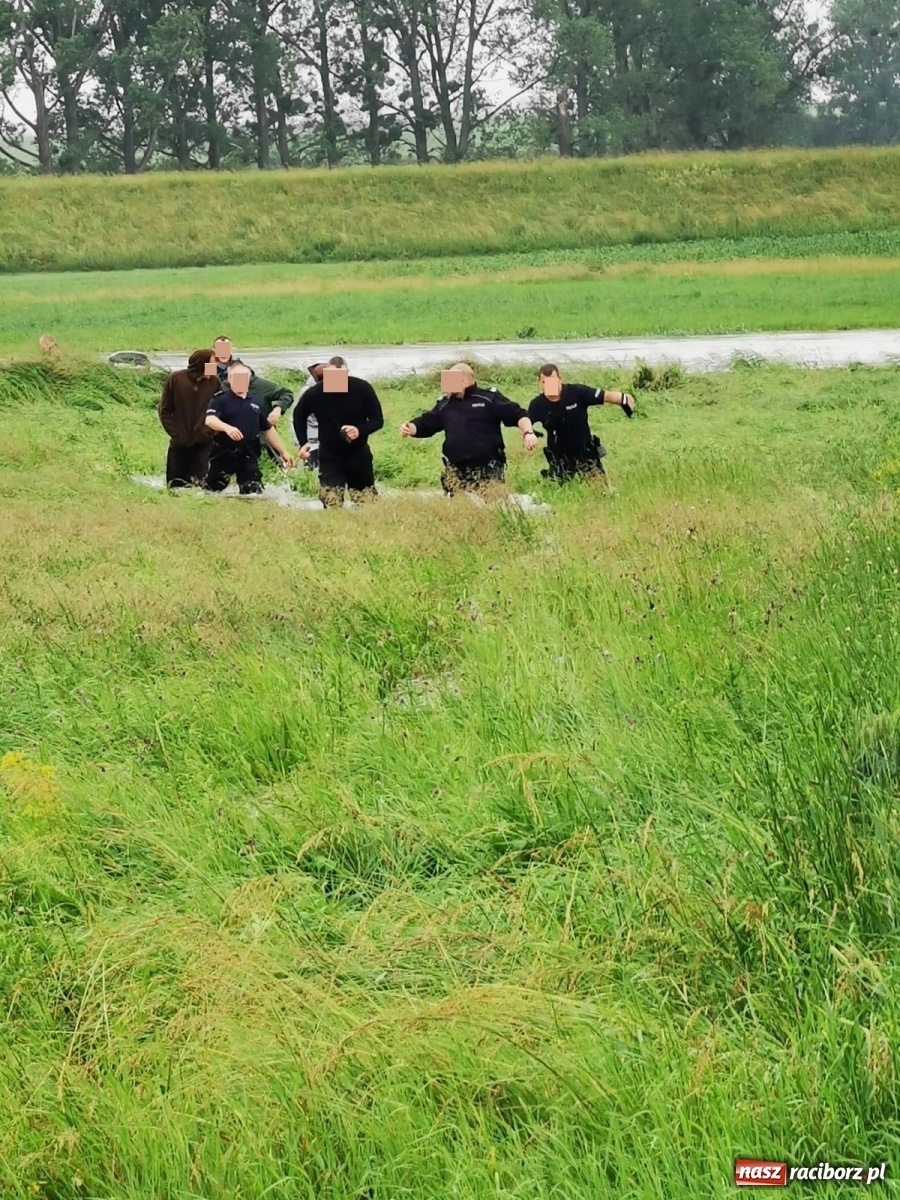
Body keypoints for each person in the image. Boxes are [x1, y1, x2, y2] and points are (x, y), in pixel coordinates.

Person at [400, 363, 538, 494]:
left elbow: (518, 414)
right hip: (456, 469)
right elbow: (426, 423)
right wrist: (410, 428)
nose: (446, 386)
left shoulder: (488, 398)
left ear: (464, 382)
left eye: (451, 380)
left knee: (492, 508)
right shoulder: (444, 405)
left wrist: (528, 433)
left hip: (488, 468)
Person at [293, 355, 384, 508]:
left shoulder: (362, 388)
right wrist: (303, 443)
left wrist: (359, 430)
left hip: (358, 454)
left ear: (347, 373)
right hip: (330, 456)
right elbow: (299, 415)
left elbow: (377, 420)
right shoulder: (316, 393)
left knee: (366, 502)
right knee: (332, 501)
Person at [527, 364, 635, 483]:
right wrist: (529, 434)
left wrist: (624, 399)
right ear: (539, 382)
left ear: (560, 378)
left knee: (600, 490)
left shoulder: (576, 392)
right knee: (561, 492)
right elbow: (524, 422)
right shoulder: (537, 404)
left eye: (552, 381)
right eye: (545, 382)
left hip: (585, 452)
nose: (549, 385)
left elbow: (605, 396)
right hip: (559, 458)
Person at [204, 363, 294, 494]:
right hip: (223, 453)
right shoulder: (220, 400)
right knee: (212, 492)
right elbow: (210, 419)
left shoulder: (256, 401)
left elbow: (267, 429)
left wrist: (283, 452)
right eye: (236, 378)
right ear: (230, 379)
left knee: (253, 492)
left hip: (248, 453)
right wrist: (227, 428)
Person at [157, 348, 218, 488]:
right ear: (202, 364)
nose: (215, 368)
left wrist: (207, 432)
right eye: (212, 363)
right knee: (175, 485)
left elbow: (218, 411)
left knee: (200, 485)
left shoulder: (214, 382)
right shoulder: (176, 379)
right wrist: (177, 434)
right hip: (179, 443)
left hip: (203, 442)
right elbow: (164, 410)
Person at [289, 362, 324, 470]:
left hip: (328, 442)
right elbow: (294, 418)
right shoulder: (308, 392)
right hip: (311, 442)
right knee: (309, 472)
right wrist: (299, 442)